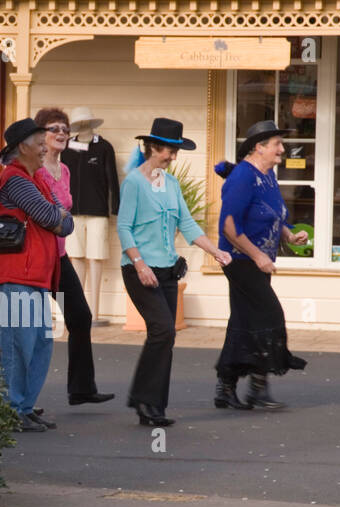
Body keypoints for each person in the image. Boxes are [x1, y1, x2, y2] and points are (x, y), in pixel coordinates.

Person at [118, 118, 233, 427]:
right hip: (140, 269)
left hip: (168, 270)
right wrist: (140, 264)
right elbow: (124, 227)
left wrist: (216, 251)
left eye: (175, 151)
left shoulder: (171, 183)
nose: (173, 157)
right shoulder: (134, 182)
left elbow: (187, 223)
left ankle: (151, 404)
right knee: (163, 330)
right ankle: (144, 400)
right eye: (170, 150)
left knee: (165, 337)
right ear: (154, 148)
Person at [213, 120, 309, 411]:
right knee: (269, 315)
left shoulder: (267, 176)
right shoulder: (243, 176)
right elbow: (229, 226)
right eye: (277, 144)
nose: (282, 149)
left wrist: (290, 234)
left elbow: (271, 215)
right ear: (259, 147)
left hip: (257, 262)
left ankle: (229, 388)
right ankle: (256, 386)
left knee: (245, 321)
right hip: (241, 261)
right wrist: (257, 256)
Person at [0, 118, 73, 433]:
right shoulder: (16, 180)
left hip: (36, 276)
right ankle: (12, 409)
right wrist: (57, 217)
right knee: (18, 344)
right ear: (22, 147)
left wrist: (58, 217)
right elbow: (52, 215)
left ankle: (23, 407)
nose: (44, 149)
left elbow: (65, 222)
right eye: (39, 143)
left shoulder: (35, 177)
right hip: (16, 275)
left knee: (39, 343)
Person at [34, 107, 113, 409]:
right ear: (41, 135)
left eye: (65, 129)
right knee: (29, 326)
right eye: (55, 129)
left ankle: (81, 388)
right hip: (38, 258)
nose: (62, 134)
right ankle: (18, 400)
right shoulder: (35, 170)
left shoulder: (64, 169)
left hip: (60, 256)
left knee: (80, 316)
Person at [61, 106, 120, 324]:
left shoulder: (104, 148)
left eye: (86, 123)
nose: (84, 127)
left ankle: (95, 312)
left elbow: (112, 179)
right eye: (80, 124)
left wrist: (116, 208)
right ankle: (79, 311)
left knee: (96, 258)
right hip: (72, 212)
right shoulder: (66, 149)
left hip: (97, 212)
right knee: (76, 258)